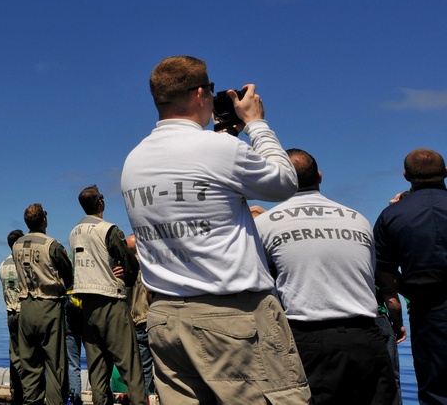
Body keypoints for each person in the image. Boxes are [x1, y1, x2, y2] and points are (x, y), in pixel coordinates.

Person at [119, 56, 309, 405]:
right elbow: (284, 183)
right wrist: (257, 124)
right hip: (231, 318)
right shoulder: (219, 149)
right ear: (199, 95)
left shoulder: (134, 160)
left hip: (165, 318)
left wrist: (225, 138)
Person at [255, 148, 397, 404]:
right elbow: (369, 274)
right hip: (366, 337)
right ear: (319, 176)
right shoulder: (358, 219)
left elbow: (260, 284)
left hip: (306, 339)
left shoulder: (266, 224)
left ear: (280, 178)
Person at [374, 148, 447, 405]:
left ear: (406, 175)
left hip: (428, 310)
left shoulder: (391, 216)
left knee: (435, 387)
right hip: (428, 305)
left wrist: (404, 291)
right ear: (445, 171)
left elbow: (384, 271)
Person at [68, 185, 146, 405]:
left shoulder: (73, 232)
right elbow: (129, 263)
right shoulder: (109, 229)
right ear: (101, 202)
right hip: (111, 302)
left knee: (98, 371)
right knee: (131, 367)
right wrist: (127, 271)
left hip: (87, 307)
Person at [13, 204, 74, 405]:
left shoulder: (17, 245)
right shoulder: (52, 245)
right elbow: (68, 274)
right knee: (55, 365)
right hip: (49, 306)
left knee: (30, 363)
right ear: (44, 220)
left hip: (25, 307)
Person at [124, 236, 153, 395]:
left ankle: (142, 397)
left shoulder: (125, 268)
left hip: (135, 320)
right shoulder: (149, 263)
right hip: (150, 317)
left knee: (141, 365)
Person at [0, 230, 24, 405]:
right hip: (25, 312)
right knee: (31, 356)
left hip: (10, 313)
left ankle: (16, 395)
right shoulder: (23, 262)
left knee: (14, 357)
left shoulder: (2, 264)